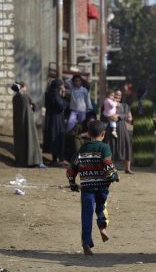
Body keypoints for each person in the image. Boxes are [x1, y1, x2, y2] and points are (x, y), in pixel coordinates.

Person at [66, 120, 120, 256]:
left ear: (88, 133)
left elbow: (71, 169)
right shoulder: (104, 148)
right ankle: (102, 228)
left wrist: (73, 184)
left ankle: (86, 242)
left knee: (87, 213)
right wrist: (115, 176)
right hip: (102, 187)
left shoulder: (82, 149)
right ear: (104, 133)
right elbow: (108, 165)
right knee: (102, 207)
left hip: (87, 189)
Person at [11, 82, 47, 168]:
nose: (26, 88)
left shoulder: (15, 98)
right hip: (28, 122)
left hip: (18, 123)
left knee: (20, 142)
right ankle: (36, 161)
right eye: (25, 87)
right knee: (32, 139)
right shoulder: (26, 96)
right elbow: (33, 105)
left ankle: (21, 162)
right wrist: (31, 106)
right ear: (22, 88)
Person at [101, 89, 134, 174]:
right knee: (111, 147)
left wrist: (118, 115)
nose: (117, 97)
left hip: (122, 129)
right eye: (116, 95)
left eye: (119, 95)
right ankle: (110, 168)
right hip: (110, 129)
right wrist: (109, 118)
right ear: (112, 95)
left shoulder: (124, 105)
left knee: (126, 146)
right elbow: (102, 116)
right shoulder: (106, 103)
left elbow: (126, 115)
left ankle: (127, 168)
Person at [43, 79, 69, 167]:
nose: (63, 87)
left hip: (55, 118)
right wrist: (64, 94)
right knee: (55, 137)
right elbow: (63, 106)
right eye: (62, 85)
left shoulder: (52, 94)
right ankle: (55, 160)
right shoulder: (55, 95)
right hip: (55, 119)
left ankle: (61, 159)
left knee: (59, 137)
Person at [130, 87, 155, 166]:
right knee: (148, 143)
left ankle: (138, 161)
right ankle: (148, 161)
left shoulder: (134, 104)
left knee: (138, 143)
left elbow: (133, 114)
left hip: (138, 126)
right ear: (145, 94)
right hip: (148, 127)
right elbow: (152, 114)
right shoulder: (150, 103)